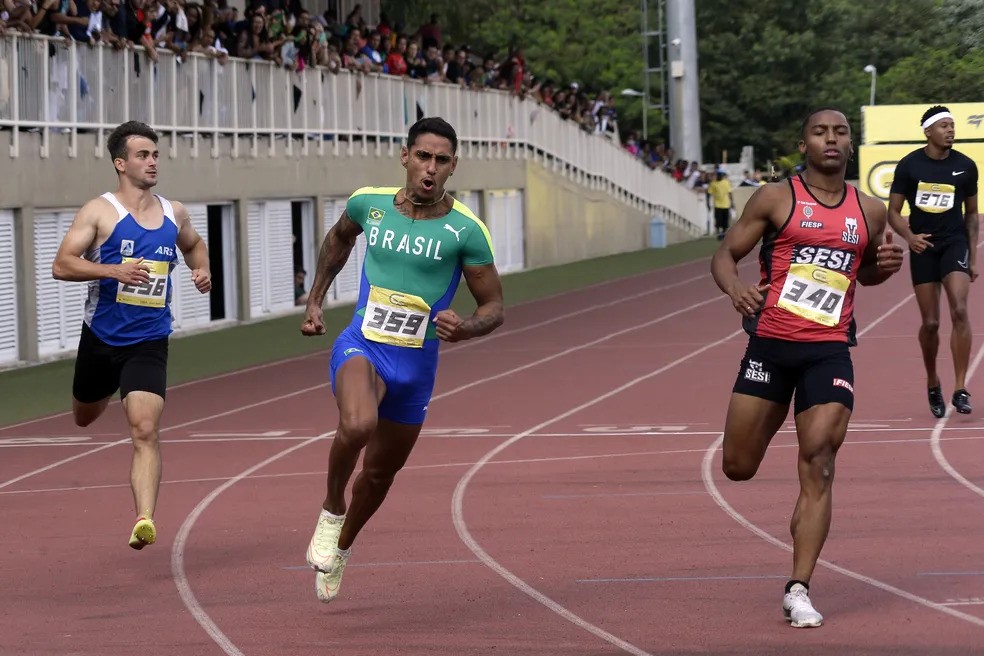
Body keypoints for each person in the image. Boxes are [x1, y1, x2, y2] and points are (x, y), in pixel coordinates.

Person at [710, 108, 904, 627]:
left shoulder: (871, 210)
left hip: (829, 349)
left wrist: (880, 271)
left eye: (841, 132)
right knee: (738, 466)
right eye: (821, 132)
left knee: (819, 458)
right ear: (804, 144)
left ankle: (799, 587)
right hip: (770, 347)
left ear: (851, 144)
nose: (832, 139)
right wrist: (736, 289)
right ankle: (802, 521)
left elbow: (862, 273)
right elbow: (725, 256)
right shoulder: (776, 198)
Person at [299, 116, 505, 603]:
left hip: (415, 367)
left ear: (453, 166)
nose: (429, 168)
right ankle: (331, 511)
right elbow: (338, 239)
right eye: (422, 157)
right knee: (356, 424)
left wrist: (469, 326)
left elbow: (494, 307)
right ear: (405, 156)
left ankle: (343, 547)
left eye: (441, 160)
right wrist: (315, 300)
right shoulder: (368, 203)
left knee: (378, 474)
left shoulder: (466, 231)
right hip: (362, 344)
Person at [51, 120, 212, 550]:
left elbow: (194, 245)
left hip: (149, 340)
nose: (153, 161)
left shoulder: (173, 213)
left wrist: (202, 269)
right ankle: (105, 388)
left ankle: (145, 519)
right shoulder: (99, 212)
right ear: (121, 163)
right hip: (101, 339)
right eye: (143, 155)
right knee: (85, 415)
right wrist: (112, 270)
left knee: (144, 429)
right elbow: (62, 264)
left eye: (156, 154)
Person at [887, 105, 979, 418]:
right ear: (928, 131)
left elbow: (972, 217)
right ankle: (932, 382)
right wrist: (910, 237)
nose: (951, 130)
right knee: (931, 323)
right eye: (944, 126)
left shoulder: (965, 166)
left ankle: (960, 387)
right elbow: (893, 212)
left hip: (954, 244)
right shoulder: (910, 165)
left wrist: (973, 258)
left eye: (953, 125)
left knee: (961, 309)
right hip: (923, 246)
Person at [708, 169, 735, 239]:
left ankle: (724, 234)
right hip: (717, 205)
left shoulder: (726, 182)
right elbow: (709, 193)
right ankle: (718, 233)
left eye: (721, 175)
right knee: (718, 220)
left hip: (726, 204)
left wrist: (732, 203)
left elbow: (730, 193)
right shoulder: (713, 184)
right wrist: (708, 203)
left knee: (725, 221)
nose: (719, 176)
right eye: (718, 175)